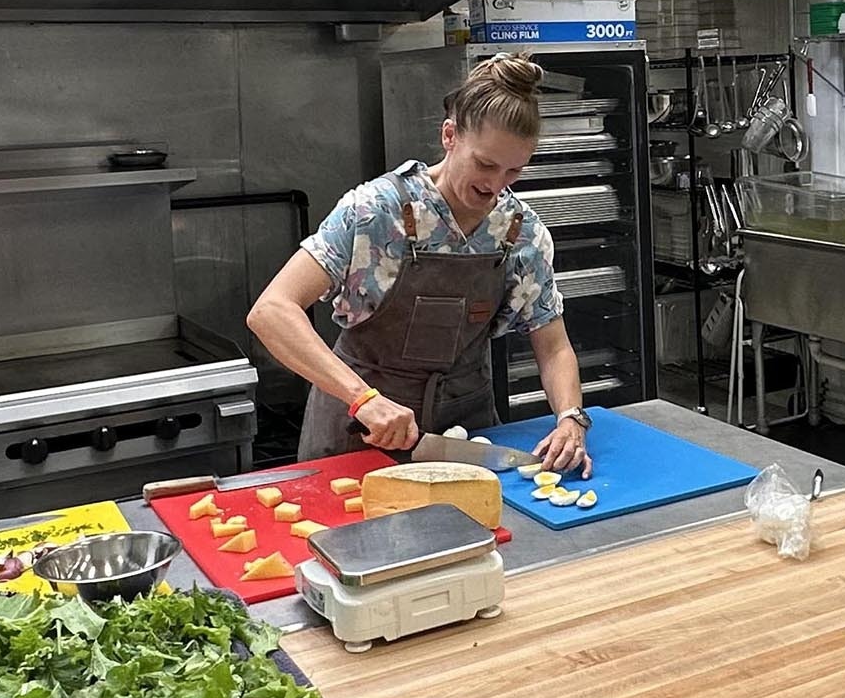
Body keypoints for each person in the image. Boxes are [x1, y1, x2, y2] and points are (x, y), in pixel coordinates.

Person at [247, 52, 593, 477]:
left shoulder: (520, 232)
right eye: (485, 164)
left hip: (466, 436)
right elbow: (271, 311)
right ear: (450, 135)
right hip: (359, 432)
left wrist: (571, 417)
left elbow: (554, 345)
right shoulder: (375, 212)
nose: (495, 185)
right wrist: (364, 399)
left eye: (513, 171)